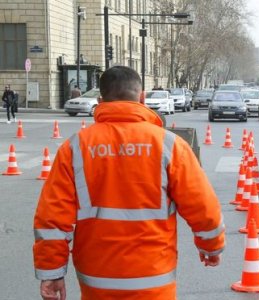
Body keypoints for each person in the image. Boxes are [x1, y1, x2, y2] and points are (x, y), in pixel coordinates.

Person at [33, 66, 225, 300]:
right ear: (142, 97)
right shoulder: (169, 145)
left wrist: (52, 272)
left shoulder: (75, 148)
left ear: (101, 99)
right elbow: (202, 205)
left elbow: (52, 218)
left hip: (97, 277)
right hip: (154, 277)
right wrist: (211, 246)